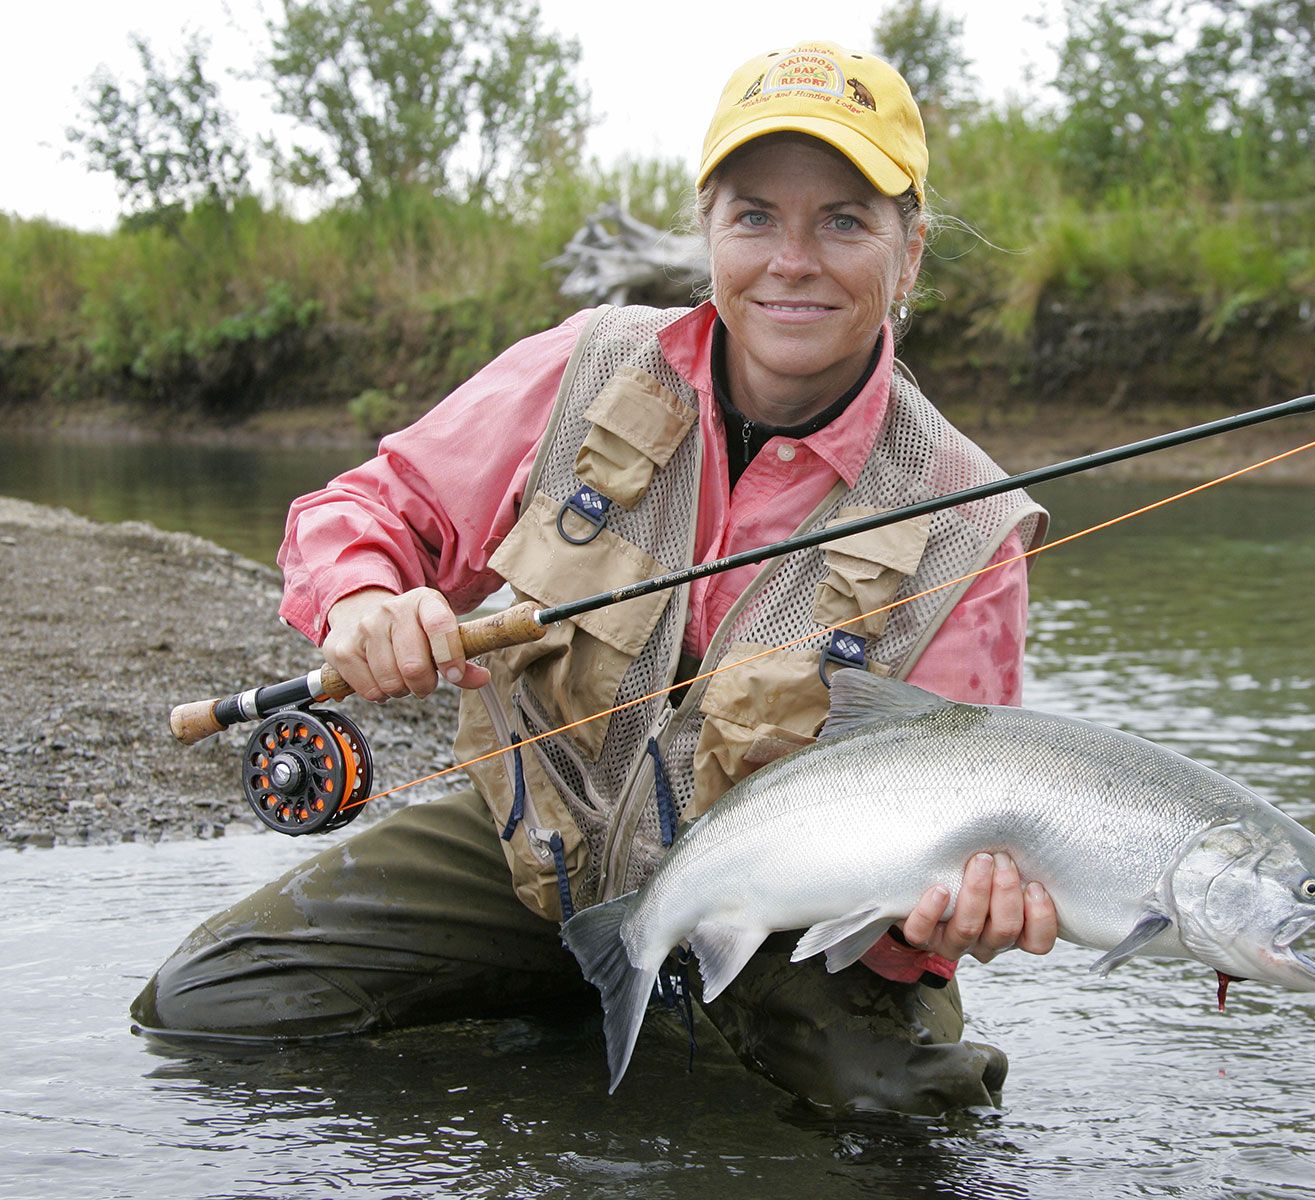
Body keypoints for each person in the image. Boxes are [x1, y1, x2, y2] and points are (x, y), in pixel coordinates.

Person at [132, 40, 1054, 1114]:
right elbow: (368, 509)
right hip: (530, 853)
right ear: (708, 232)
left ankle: (641, 1012)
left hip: (788, 927)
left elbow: (947, 825)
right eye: (755, 215)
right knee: (208, 1004)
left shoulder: (969, 524)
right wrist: (368, 600)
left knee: (913, 1127)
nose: (791, 260)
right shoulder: (587, 365)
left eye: (843, 221)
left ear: (909, 253)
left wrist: (925, 929)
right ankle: (577, 1002)